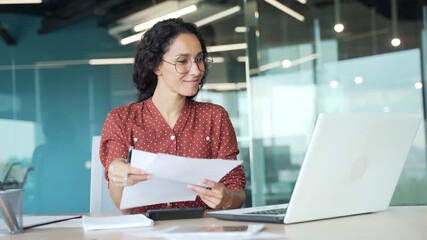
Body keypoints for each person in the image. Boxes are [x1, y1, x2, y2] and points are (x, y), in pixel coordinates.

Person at [99, 18, 246, 214]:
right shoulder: (121, 119)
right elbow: (120, 203)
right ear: (156, 66)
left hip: (203, 232)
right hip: (145, 232)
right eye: (182, 61)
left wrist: (226, 198)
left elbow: (237, 193)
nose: (196, 70)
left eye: (199, 59)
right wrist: (117, 173)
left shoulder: (215, 116)